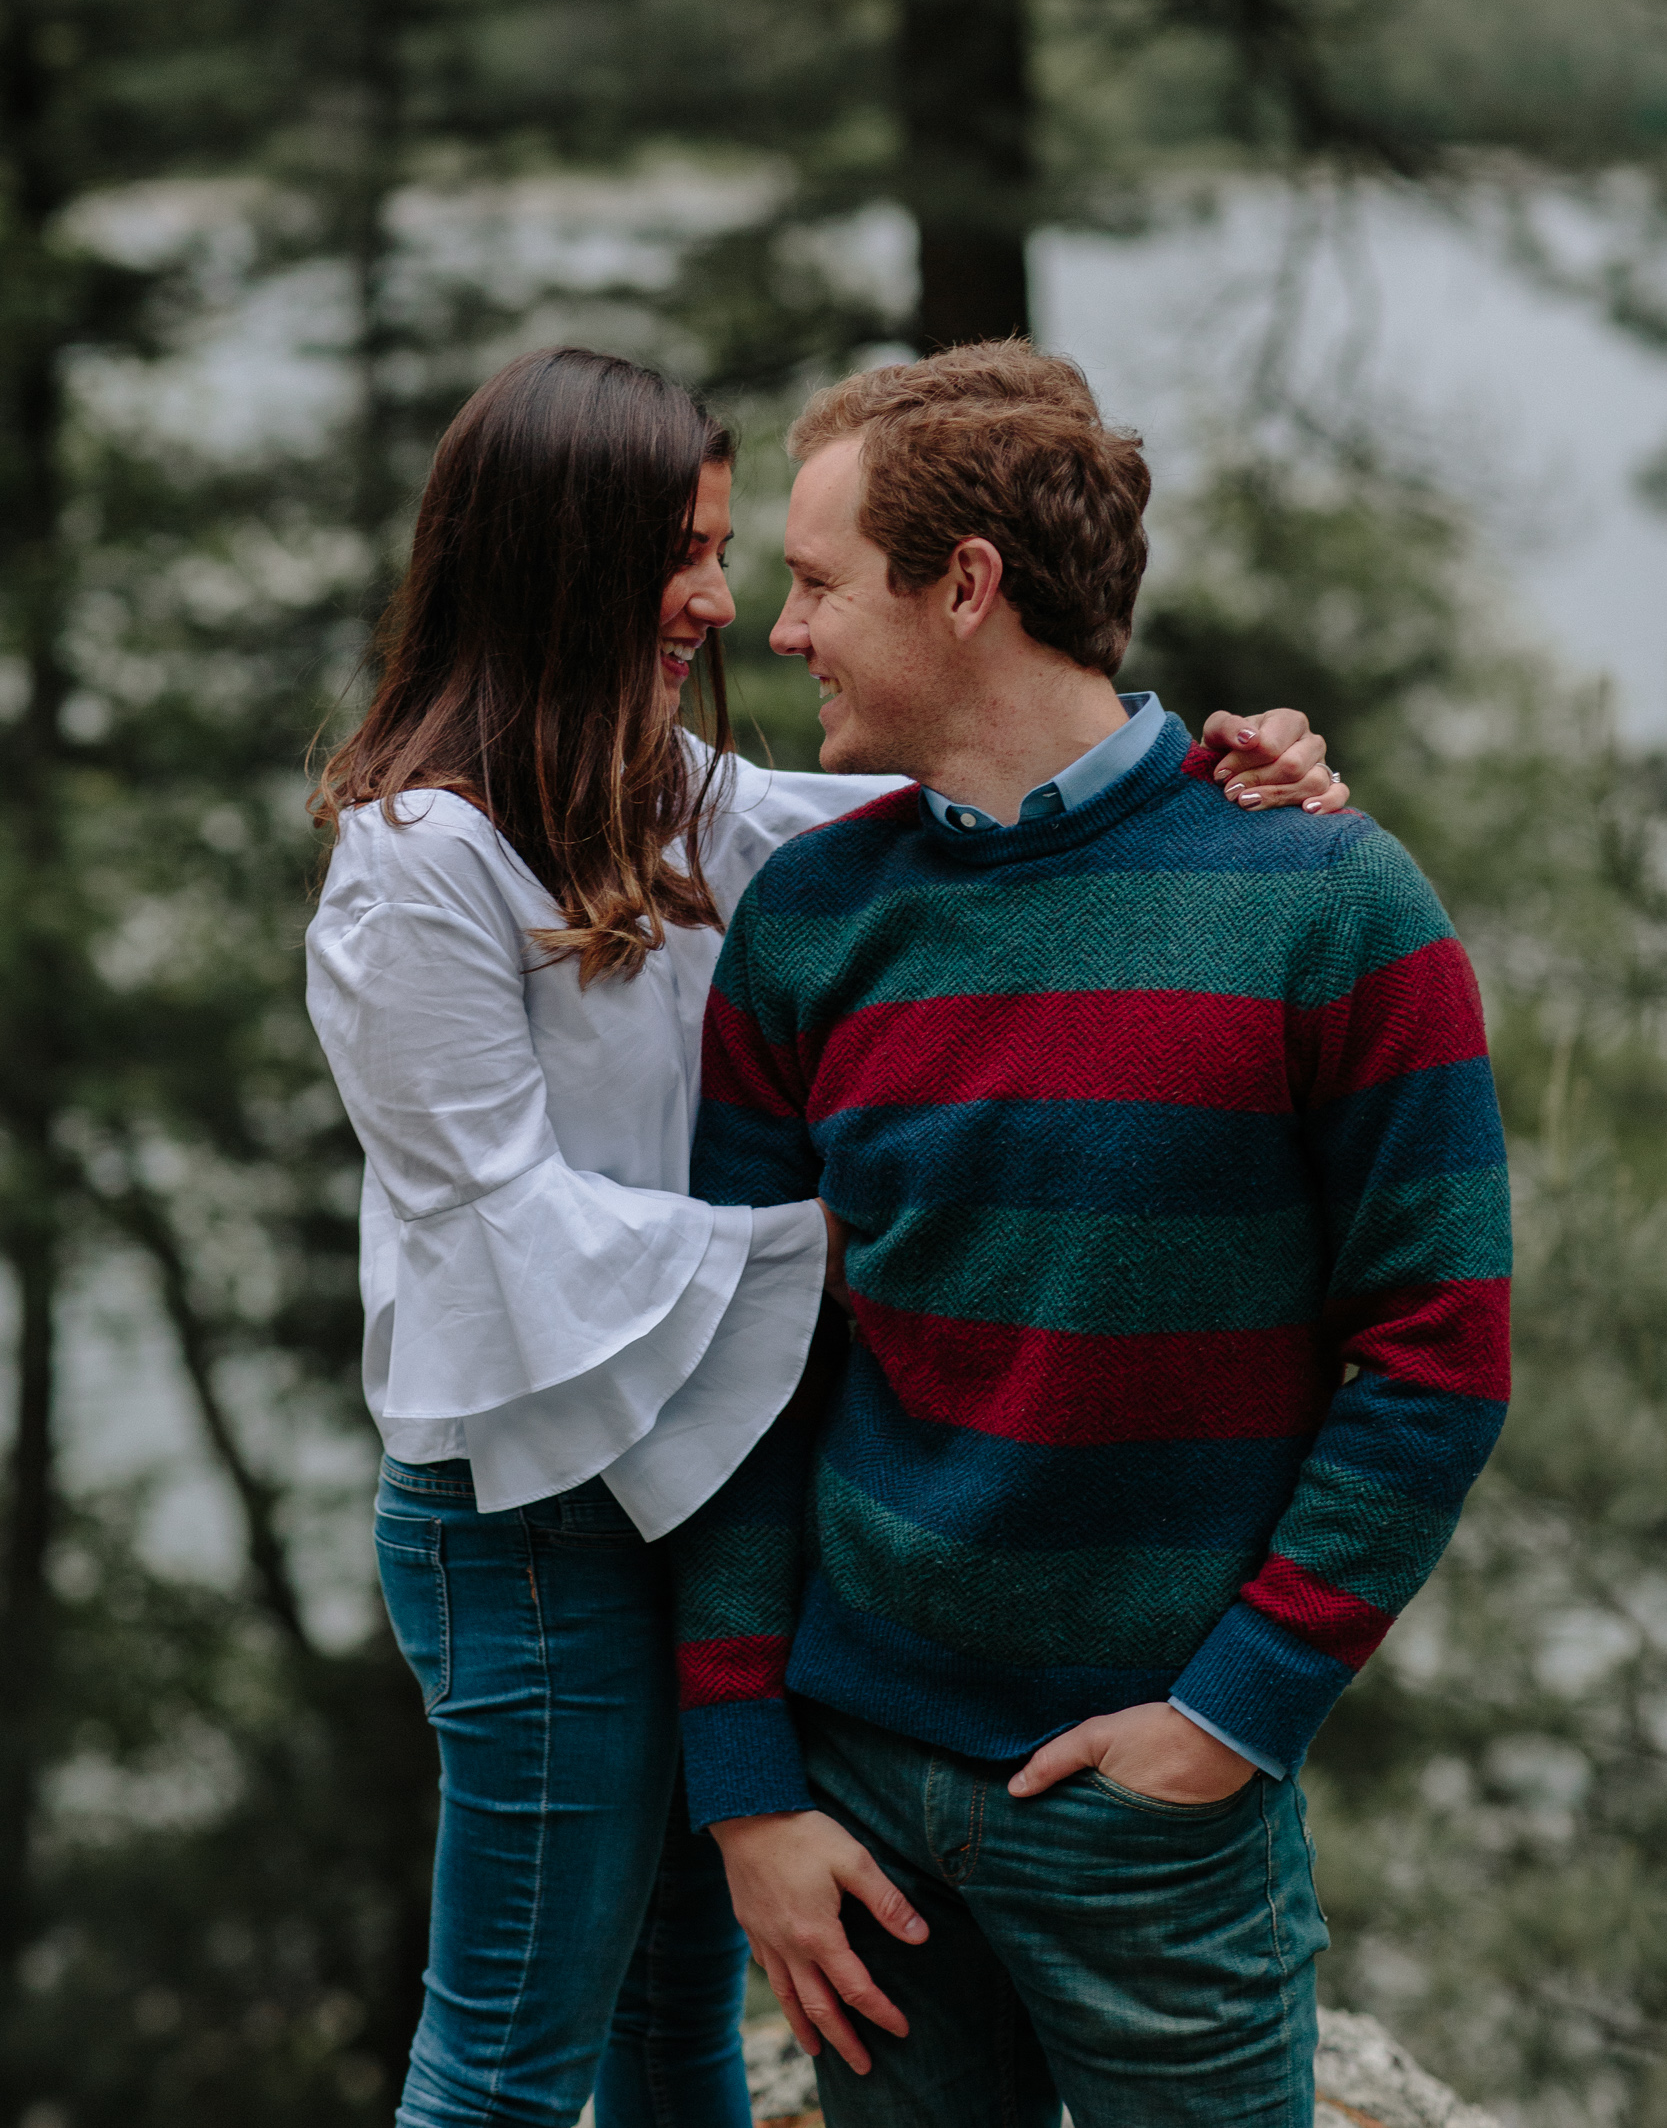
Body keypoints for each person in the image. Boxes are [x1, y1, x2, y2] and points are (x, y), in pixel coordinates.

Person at [303, 343, 1352, 2128]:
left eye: (745, 556)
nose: (725, 603)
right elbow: (496, 1218)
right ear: (561, 555)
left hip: (681, 1470)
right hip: (530, 1522)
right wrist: (854, 1249)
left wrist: (1205, 778)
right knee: (503, 2058)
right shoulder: (418, 859)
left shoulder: (659, 796)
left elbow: (955, 790)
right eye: (691, 552)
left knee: (670, 2029)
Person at [671, 341, 1512, 2128]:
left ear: (964, 587)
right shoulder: (811, 922)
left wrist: (1234, 1714)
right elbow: (737, 1377)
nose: (784, 629)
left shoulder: (1331, 906)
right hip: (860, 1810)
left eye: (817, 583)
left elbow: (1438, 1361)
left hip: (1151, 1821)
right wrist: (751, 1789)